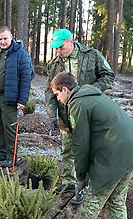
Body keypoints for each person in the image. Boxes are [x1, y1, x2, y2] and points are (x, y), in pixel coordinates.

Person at [48, 72, 133, 219]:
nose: (57, 99)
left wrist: (80, 178)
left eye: (56, 94)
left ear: (65, 89)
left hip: (114, 156)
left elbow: (80, 145)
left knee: (94, 199)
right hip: (130, 152)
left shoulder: (78, 104)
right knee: (117, 202)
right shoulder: (92, 96)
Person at [45, 28, 115, 204]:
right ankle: (69, 182)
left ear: (71, 41)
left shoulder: (92, 55)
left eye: (61, 47)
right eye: (56, 48)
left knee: (87, 150)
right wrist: (52, 114)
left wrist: (89, 92)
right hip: (65, 114)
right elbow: (49, 90)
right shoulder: (54, 64)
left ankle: (87, 188)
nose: (58, 51)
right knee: (67, 149)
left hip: (88, 113)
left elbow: (109, 76)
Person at [0, 26, 31, 168]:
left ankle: (12, 156)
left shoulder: (20, 53)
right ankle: (2, 153)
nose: (2, 42)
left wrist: (22, 100)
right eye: (0, 39)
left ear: (11, 37)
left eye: (5, 38)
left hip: (9, 97)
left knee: (9, 127)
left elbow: (25, 77)